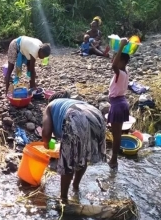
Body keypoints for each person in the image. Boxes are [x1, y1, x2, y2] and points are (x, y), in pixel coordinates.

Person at [41, 91, 106, 203]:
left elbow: (46, 133)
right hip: (97, 115)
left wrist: (46, 144)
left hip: (75, 116)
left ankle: (64, 200)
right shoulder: (68, 103)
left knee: (68, 162)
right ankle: (75, 186)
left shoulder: (49, 106)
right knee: (83, 154)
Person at [107, 38, 130, 168]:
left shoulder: (120, 72)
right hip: (121, 103)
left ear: (123, 62)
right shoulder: (126, 71)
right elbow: (116, 63)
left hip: (117, 105)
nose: (114, 60)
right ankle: (114, 157)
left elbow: (114, 66)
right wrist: (119, 53)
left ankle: (114, 159)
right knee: (117, 133)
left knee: (116, 135)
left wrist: (121, 46)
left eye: (118, 58)